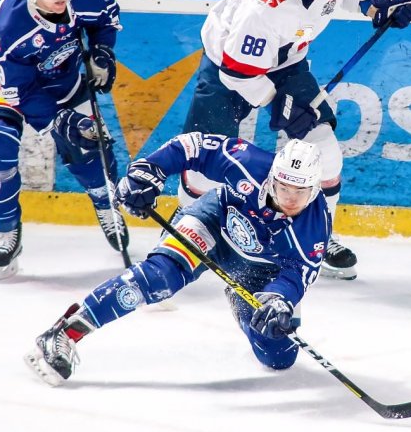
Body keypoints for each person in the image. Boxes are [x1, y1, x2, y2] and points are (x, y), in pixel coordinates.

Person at [179, 0, 411, 281]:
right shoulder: (263, 4)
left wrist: (375, 6)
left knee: (325, 151)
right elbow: (236, 73)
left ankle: (317, 238)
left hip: (286, 62)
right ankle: (183, 239)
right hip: (227, 67)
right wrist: (279, 103)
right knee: (203, 166)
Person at [24, 133, 330, 385]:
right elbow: (192, 146)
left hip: (258, 270)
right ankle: (64, 333)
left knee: (278, 356)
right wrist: (149, 170)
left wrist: (278, 299)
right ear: (272, 177)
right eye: (283, 187)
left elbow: (296, 275)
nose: (289, 198)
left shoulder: (314, 228)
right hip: (212, 223)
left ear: (316, 189)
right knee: (159, 277)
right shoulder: (249, 163)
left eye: (300, 192)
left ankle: (242, 299)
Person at [0, 0, 129, 280]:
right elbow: (20, 92)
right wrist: (59, 121)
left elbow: (105, 21)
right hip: (0, 74)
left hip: (60, 70)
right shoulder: (11, 23)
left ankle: (107, 204)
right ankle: (7, 232)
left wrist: (102, 53)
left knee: (90, 142)